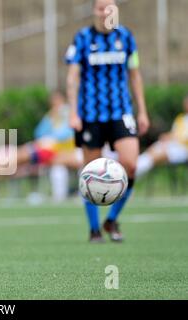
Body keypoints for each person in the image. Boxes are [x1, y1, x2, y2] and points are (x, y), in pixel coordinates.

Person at [66, 0, 150, 243]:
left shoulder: (126, 37)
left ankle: (111, 218)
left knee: (131, 165)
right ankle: (94, 229)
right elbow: (73, 78)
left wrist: (142, 111)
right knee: (89, 172)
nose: (106, 12)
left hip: (121, 112)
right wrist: (73, 113)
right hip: (91, 115)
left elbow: (135, 75)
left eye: (110, 8)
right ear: (94, 10)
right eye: (101, 8)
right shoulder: (81, 39)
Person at [136, 95, 188, 178]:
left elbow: (181, 137)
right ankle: (134, 168)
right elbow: (174, 133)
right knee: (153, 149)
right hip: (173, 145)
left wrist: (170, 138)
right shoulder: (180, 119)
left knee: (158, 155)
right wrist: (166, 138)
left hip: (184, 149)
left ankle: (134, 172)